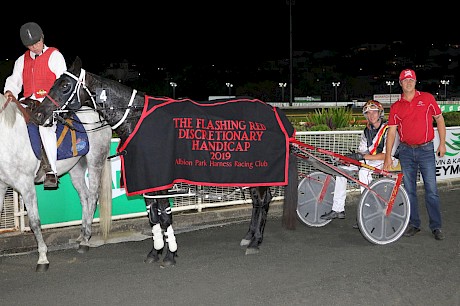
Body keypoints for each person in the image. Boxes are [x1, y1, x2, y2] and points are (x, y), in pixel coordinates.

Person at [383, 69, 446, 241]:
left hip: (426, 150)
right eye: (405, 80)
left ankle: (436, 226)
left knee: (431, 190)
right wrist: (388, 156)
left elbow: (439, 119)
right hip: (406, 151)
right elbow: (392, 133)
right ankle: (414, 224)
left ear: (415, 81)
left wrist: (442, 143)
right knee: (410, 190)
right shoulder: (396, 107)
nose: (408, 83)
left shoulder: (427, 98)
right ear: (400, 83)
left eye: (411, 80)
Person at [3, 22, 67, 189]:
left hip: (50, 103)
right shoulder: (21, 60)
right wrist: (10, 91)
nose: (34, 47)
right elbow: (15, 79)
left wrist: (53, 102)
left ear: (42, 38)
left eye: (36, 43)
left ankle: (51, 170)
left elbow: (62, 83)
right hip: (28, 101)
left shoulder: (55, 56)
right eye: (30, 45)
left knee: (45, 128)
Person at [320, 100, 399, 226]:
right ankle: (338, 209)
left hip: (389, 160)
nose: (371, 115)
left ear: (380, 113)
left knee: (364, 172)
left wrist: (362, 157)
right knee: (341, 169)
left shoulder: (389, 129)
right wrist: (352, 158)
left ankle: (368, 211)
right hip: (371, 160)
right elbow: (362, 153)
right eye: (368, 113)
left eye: (374, 112)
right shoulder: (366, 131)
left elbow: (386, 155)